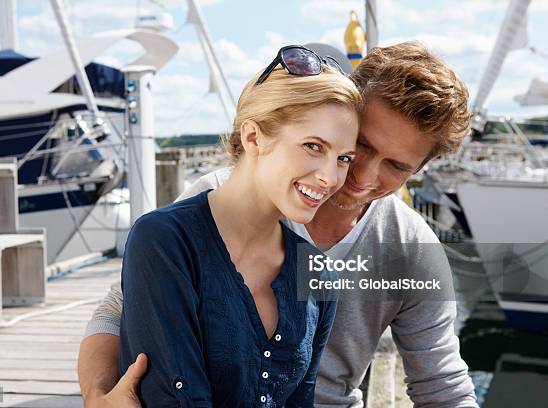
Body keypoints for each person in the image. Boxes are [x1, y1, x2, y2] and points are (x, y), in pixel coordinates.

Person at [78, 41, 479, 407]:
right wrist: (98, 396)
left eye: (395, 166)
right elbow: (119, 309)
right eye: (362, 147)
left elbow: (442, 384)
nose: (361, 176)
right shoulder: (216, 201)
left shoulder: (410, 250)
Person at [114, 45, 363, 407]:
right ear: (253, 137)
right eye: (313, 146)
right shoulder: (165, 241)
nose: (329, 176)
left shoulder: (319, 276)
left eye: (343, 158)